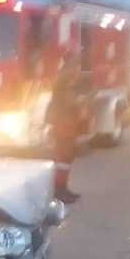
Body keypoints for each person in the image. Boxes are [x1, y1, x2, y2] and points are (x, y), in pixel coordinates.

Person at [45, 54, 84, 203]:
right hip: (63, 123)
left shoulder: (65, 76)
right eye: (76, 65)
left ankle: (63, 189)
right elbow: (69, 101)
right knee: (63, 158)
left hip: (65, 123)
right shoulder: (66, 78)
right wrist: (81, 102)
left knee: (66, 159)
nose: (78, 68)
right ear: (70, 64)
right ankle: (59, 191)